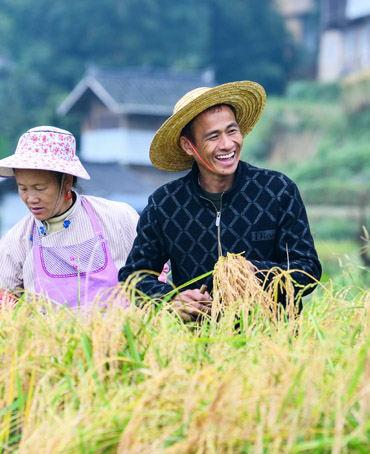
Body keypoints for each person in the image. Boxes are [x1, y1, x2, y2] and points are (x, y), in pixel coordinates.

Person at [118, 81, 322, 321]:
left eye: (232, 131)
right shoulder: (165, 204)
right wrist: (171, 298)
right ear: (188, 145)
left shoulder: (277, 191)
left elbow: (308, 271)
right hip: (196, 344)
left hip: (271, 343)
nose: (227, 145)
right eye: (213, 136)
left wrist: (255, 272)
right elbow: (134, 276)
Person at [0, 126, 141, 309]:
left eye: (40, 189)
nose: (30, 199)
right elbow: (2, 303)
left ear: (67, 182)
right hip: (48, 345)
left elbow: (150, 278)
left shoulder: (117, 218)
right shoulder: (17, 240)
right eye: (22, 188)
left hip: (119, 341)